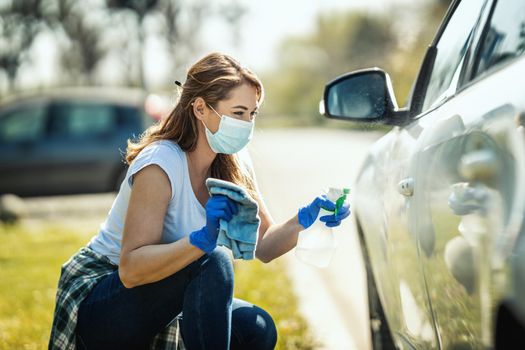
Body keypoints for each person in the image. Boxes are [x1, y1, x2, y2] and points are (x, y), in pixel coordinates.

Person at [48, 52, 351, 350]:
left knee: (257, 327)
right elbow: (131, 270)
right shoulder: (160, 164)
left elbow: (265, 246)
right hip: (104, 299)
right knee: (212, 258)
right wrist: (201, 240)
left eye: (252, 113)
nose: (247, 124)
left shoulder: (235, 162)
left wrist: (305, 219)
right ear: (200, 108)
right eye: (238, 112)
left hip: (164, 294)